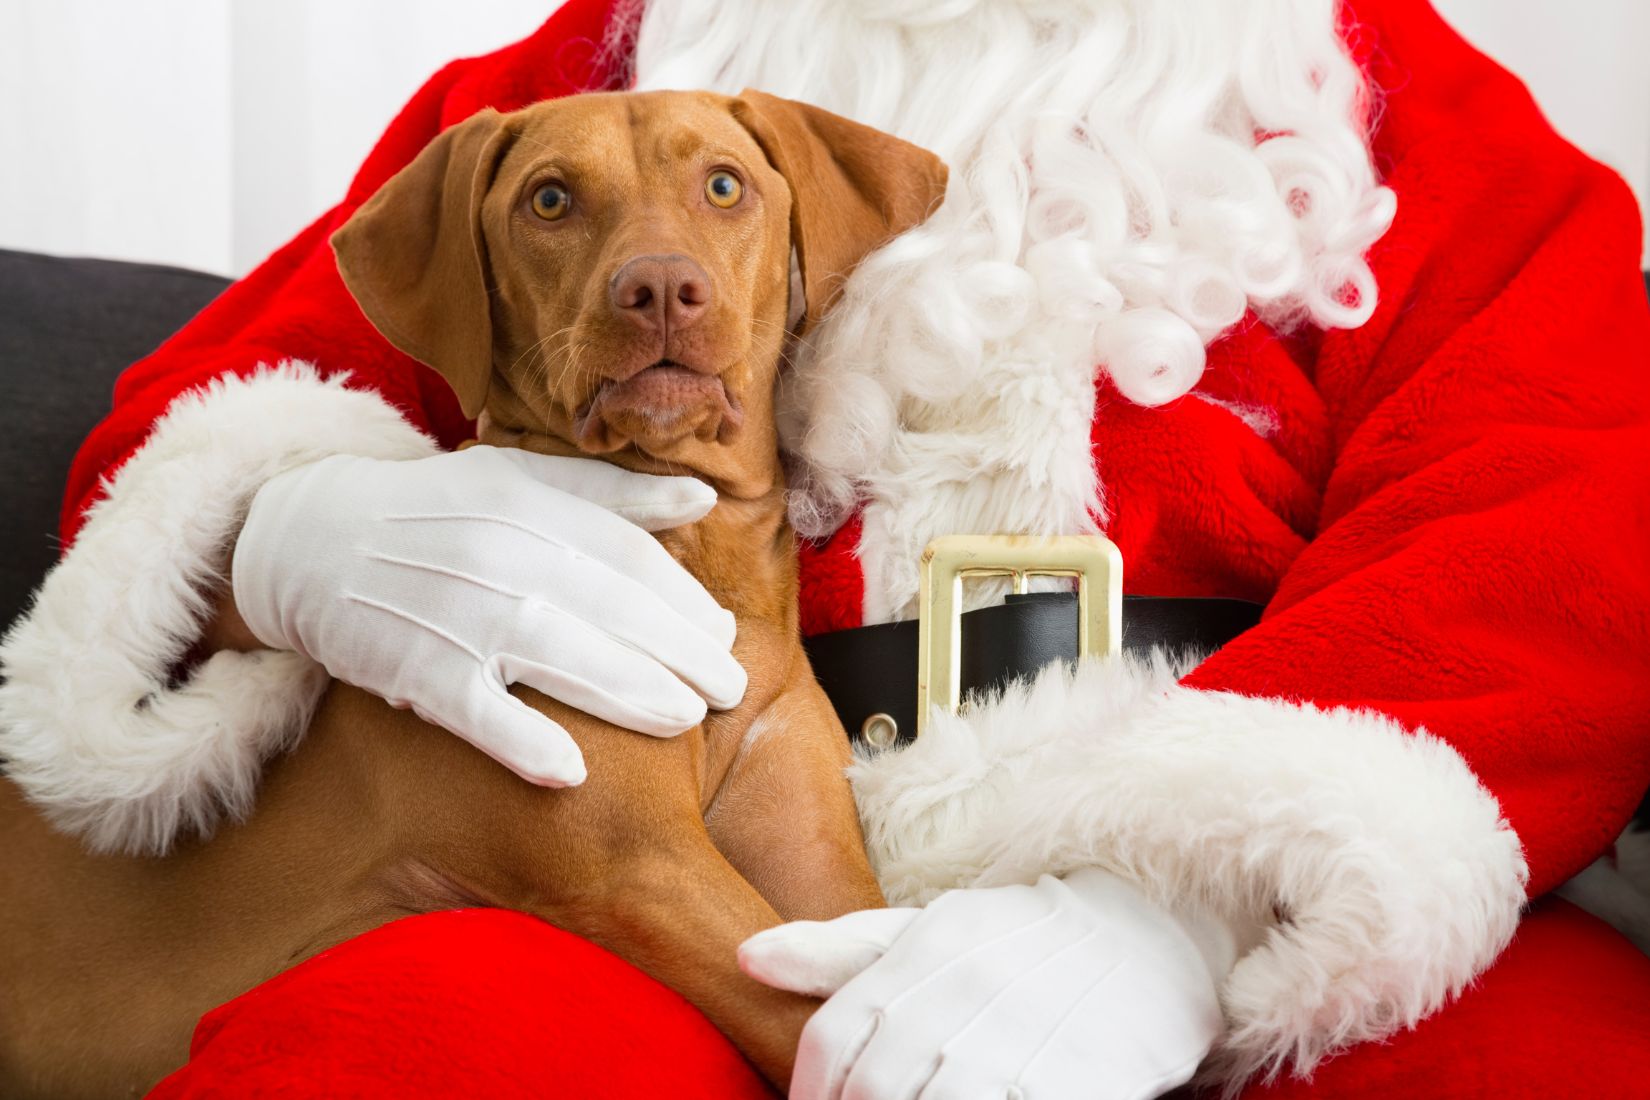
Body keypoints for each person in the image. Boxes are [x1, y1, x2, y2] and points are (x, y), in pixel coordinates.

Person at [3, 0, 1649, 1096]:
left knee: (1552, 1065)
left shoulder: (1394, 104)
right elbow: (200, 418)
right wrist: (288, 518)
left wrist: (1176, 910)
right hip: (641, 830)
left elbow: (1567, 520)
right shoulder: (597, 75)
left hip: (1223, 852)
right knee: (409, 1048)